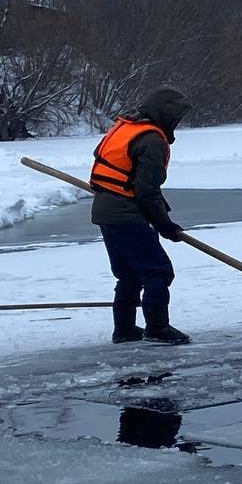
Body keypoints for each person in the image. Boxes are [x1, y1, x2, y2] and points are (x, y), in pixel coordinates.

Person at [90, 87, 193, 345]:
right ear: (165, 113)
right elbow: (147, 190)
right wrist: (164, 225)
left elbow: (120, 174)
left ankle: (124, 329)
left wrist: (161, 218)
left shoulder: (125, 128)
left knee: (129, 274)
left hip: (105, 210)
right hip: (126, 215)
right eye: (176, 117)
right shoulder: (152, 141)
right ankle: (157, 329)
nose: (177, 123)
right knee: (157, 271)